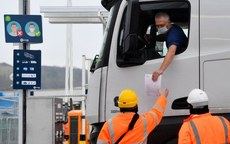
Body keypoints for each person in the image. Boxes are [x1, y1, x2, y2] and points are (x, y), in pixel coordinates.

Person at [97, 88, 169, 144]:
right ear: (136, 105)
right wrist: (162, 97)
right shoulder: (144, 121)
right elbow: (156, 112)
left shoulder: (109, 125)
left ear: (119, 106)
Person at [151, 12, 188, 81]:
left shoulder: (174, 34)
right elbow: (163, 37)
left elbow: (171, 51)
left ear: (169, 22)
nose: (159, 28)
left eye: (161, 25)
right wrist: (152, 38)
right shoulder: (171, 29)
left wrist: (160, 70)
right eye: (157, 26)